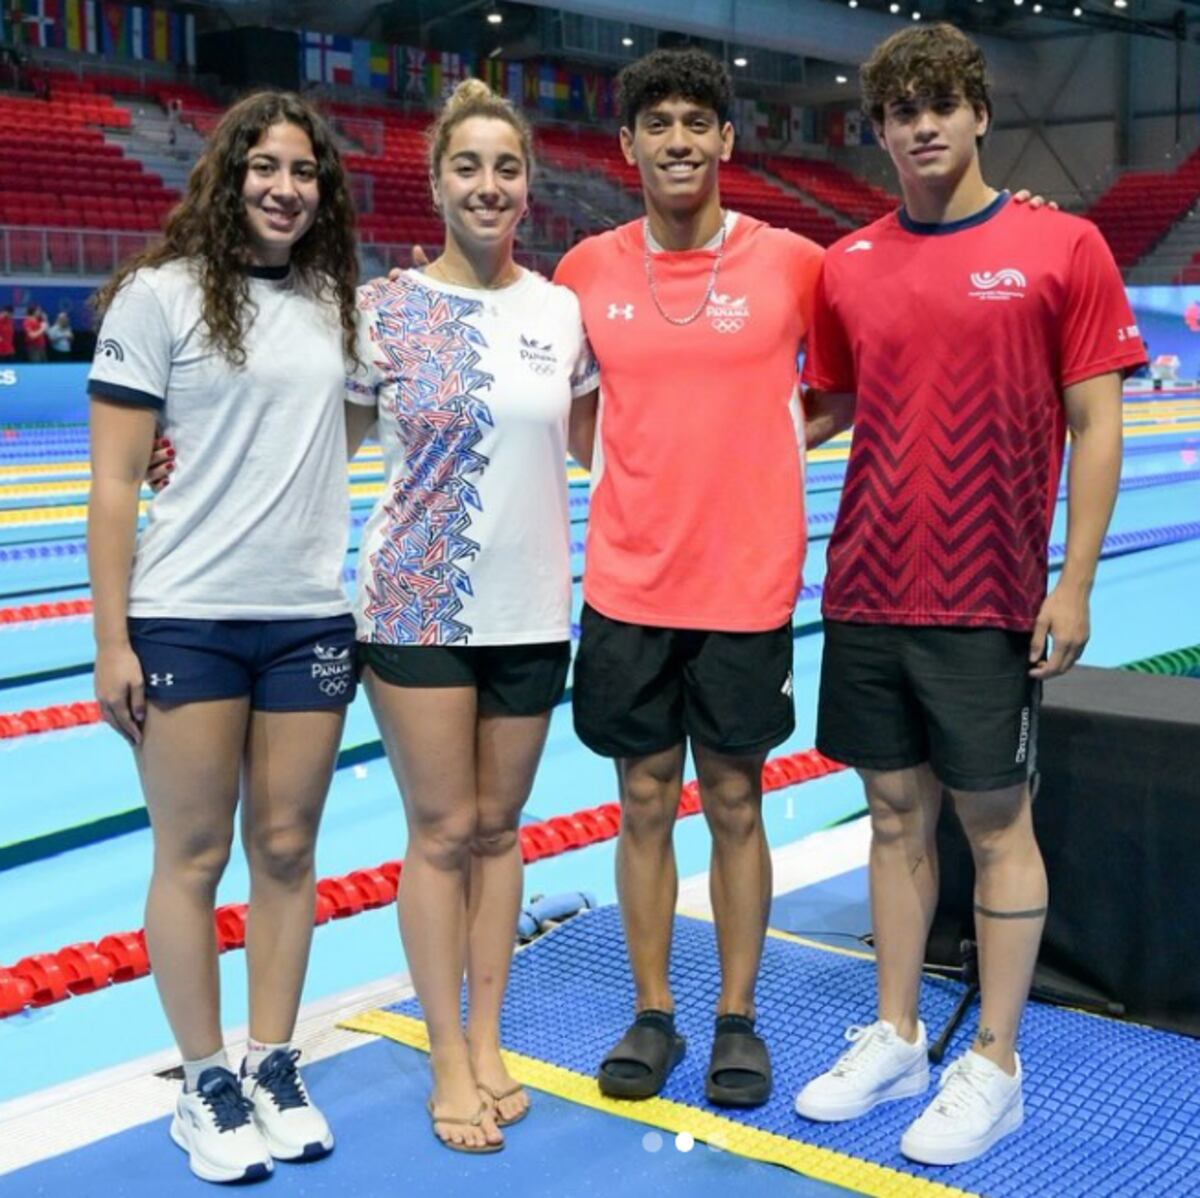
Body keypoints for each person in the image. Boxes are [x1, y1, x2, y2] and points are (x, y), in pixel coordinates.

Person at [793, 23, 1145, 1165]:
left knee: (997, 826)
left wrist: (1075, 582)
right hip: (867, 585)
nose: (924, 126)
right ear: (880, 129)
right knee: (895, 816)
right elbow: (826, 408)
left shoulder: (1064, 247)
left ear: (981, 114)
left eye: (943, 103)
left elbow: (1098, 423)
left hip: (988, 595)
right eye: (902, 111)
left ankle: (994, 1056)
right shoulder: (846, 264)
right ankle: (897, 1030)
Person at [87, 90, 360, 1185]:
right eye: (264, 167)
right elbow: (112, 482)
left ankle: (273, 1062)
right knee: (193, 857)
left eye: (303, 170)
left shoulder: (338, 302)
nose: (284, 187)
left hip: (306, 618)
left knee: (288, 851)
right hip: (187, 616)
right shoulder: (158, 298)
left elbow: (374, 421)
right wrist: (110, 641)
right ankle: (203, 1080)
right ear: (227, 176)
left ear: (322, 188)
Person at [552, 48, 825, 1109]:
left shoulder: (793, 262)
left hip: (746, 588)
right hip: (629, 588)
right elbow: (573, 410)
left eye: (694, 122)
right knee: (642, 800)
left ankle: (738, 1018)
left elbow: (839, 387)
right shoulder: (587, 270)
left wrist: (755, 462)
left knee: (736, 801)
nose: (677, 140)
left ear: (726, 140)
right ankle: (655, 1011)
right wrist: (641, 477)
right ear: (627, 146)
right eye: (656, 123)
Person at [347, 78, 598, 1155]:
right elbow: (320, 443)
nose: (488, 185)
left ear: (527, 186)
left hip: (533, 609)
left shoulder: (561, 312)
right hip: (415, 604)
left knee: (500, 831)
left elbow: (610, 444)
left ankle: (489, 1038)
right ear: (436, 181)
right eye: (468, 166)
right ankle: (446, 1055)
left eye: (506, 167)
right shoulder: (382, 308)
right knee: (443, 832)